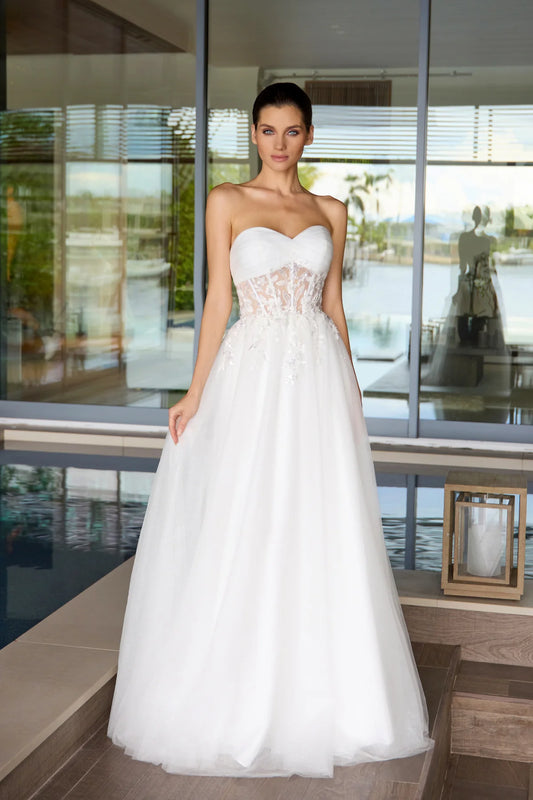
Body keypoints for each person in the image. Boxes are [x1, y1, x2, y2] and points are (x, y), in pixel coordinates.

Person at [108, 82, 432, 778]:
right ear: (252, 135)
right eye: (266, 130)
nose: (278, 144)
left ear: (308, 136)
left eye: (290, 131)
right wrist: (194, 393)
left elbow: (334, 306)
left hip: (315, 380)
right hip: (250, 378)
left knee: (322, 523)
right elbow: (218, 299)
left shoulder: (331, 211)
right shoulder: (225, 201)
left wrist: (350, 393)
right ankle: (233, 687)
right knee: (245, 515)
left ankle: (331, 695)